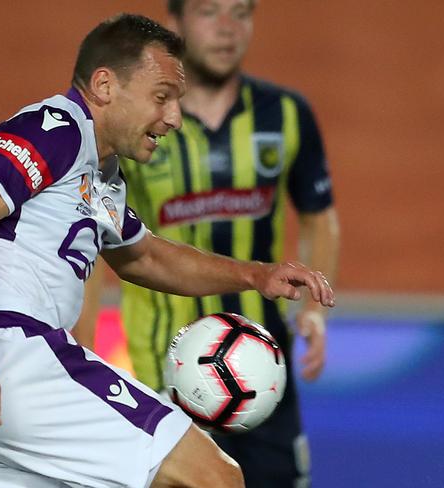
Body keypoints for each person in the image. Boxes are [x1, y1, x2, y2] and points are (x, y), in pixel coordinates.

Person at [0, 13, 335, 488]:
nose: (173, 118)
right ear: (105, 85)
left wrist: (255, 277)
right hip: (2, 355)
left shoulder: (100, 173)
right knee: (216, 477)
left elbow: (143, 256)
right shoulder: (57, 128)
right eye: (162, 97)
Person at [73, 2, 340, 487]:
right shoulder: (139, 127)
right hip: (163, 378)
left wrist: (316, 310)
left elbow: (320, 218)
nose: (226, 29)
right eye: (208, 11)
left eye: (240, 13)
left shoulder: (285, 115)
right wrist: (80, 352)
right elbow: (92, 241)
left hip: (262, 374)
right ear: (174, 25)